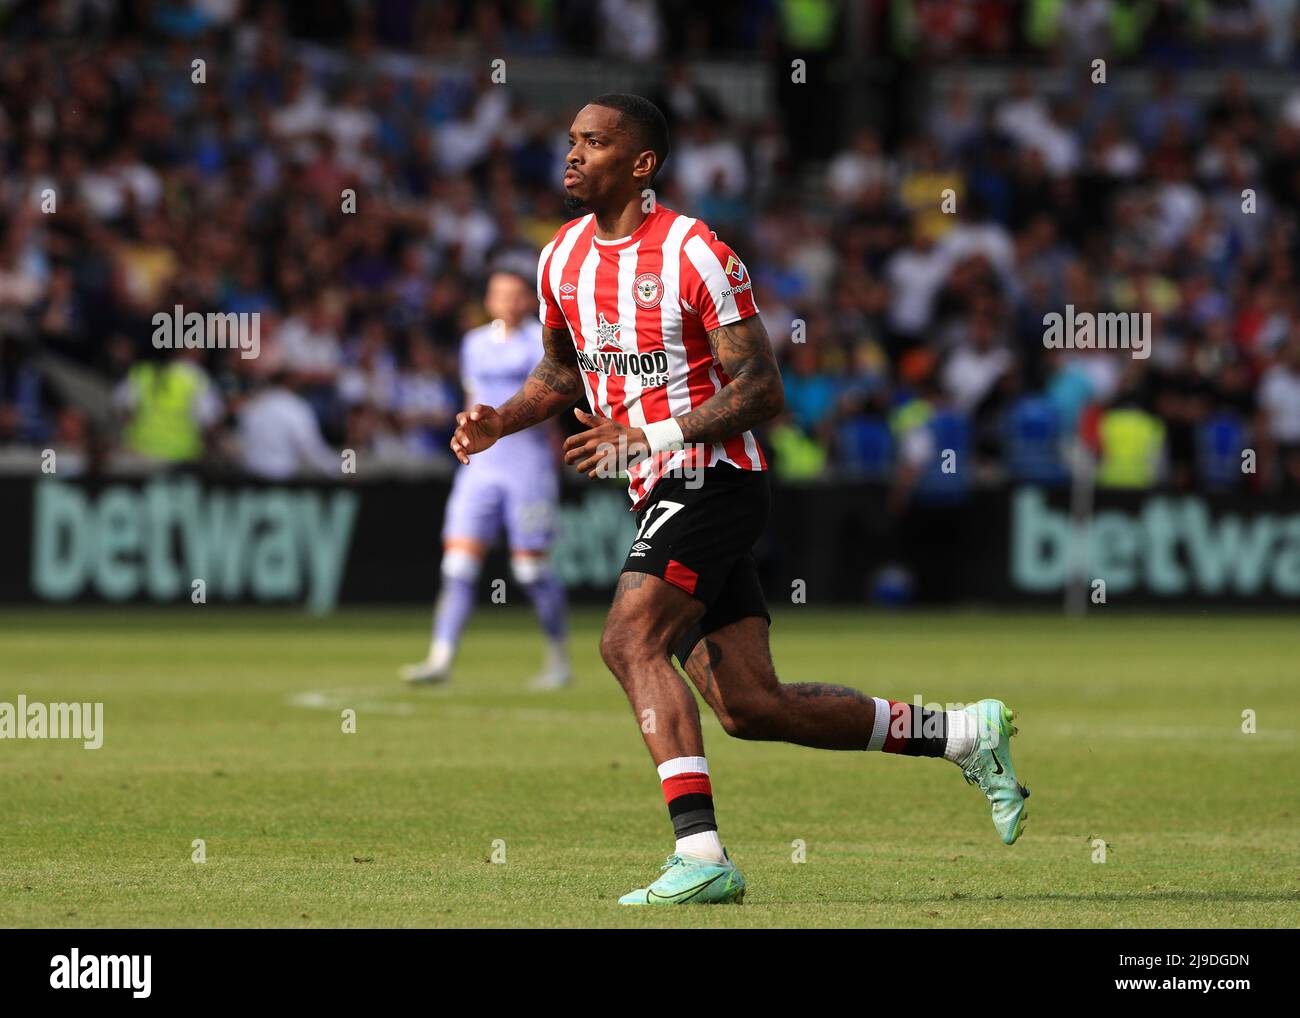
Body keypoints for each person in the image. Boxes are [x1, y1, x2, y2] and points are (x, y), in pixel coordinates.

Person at [449, 94, 1029, 905]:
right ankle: (964, 735)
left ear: (642, 163)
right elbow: (560, 369)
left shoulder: (695, 253)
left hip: (713, 477)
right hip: (654, 485)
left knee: (627, 642)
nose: (572, 155)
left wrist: (646, 438)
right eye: (571, 140)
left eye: (594, 142)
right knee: (751, 706)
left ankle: (702, 855)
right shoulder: (560, 259)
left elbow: (762, 389)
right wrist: (499, 420)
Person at [401, 270, 570, 689]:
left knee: (530, 571)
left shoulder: (541, 343)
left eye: (515, 294)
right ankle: (440, 658)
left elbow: (551, 400)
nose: (508, 302)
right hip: (482, 469)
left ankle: (558, 658)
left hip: (527, 465)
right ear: (490, 300)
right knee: (457, 565)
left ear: (527, 300)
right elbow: (471, 400)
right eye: (499, 294)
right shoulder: (473, 343)